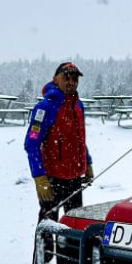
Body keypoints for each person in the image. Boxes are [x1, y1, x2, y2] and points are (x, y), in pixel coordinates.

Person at [24, 62, 94, 224]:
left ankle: (69, 251)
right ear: (56, 79)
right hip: (52, 180)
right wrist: (39, 177)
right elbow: (31, 143)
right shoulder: (45, 107)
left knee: (75, 225)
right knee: (48, 228)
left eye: (75, 78)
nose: (71, 82)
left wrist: (87, 163)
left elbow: (79, 140)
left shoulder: (78, 105)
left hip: (75, 178)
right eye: (66, 77)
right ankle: (44, 251)